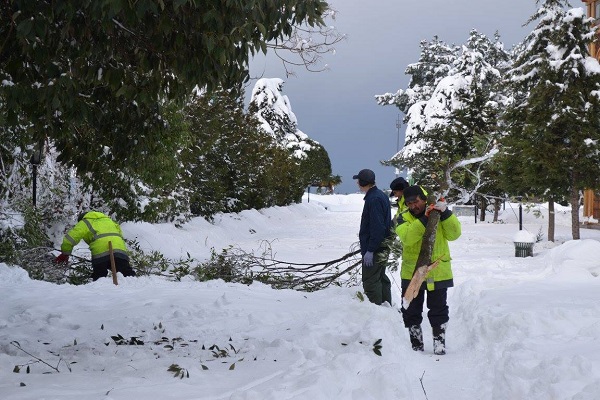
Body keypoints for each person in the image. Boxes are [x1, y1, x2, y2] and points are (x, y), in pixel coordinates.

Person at [395, 185, 461, 355]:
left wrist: (445, 213)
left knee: (438, 308)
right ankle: (416, 344)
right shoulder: (402, 218)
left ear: (424, 199)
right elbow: (408, 238)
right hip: (412, 273)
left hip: (437, 271)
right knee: (411, 310)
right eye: (409, 203)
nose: (413, 206)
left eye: (416, 201)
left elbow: (454, 234)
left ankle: (439, 343)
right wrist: (424, 220)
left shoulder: (438, 215)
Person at [55, 211, 136, 281]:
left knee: (100, 276)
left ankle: (100, 295)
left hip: (100, 251)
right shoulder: (109, 220)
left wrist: (65, 253)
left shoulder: (85, 222)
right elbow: (119, 234)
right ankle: (133, 291)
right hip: (119, 249)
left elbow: (70, 238)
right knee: (126, 274)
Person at [353, 168, 393, 305]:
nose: (357, 183)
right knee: (380, 277)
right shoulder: (379, 195)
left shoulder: (374, 199)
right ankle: (386, 307)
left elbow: (378, 227)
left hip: (376, 248)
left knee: (371, 281)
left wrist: (370, 249)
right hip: (382, 246)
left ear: (363, 182)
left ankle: (375, 312)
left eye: (358, 181)